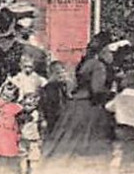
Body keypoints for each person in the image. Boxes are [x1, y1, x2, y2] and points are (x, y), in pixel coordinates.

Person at [42, 32, 117, 162]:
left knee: (66, 141)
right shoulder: (98, 66)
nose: (111, 54)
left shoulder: (85, 63)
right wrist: (111, 93)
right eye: (109, 50)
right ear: (104, 49)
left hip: (75, 105)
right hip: (89, 107)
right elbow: (96, 89)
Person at [105, 69, 134, 172]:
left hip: (120, 127)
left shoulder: (120, 97)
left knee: (119, 146)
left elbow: (108, 107)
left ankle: (116, 163)